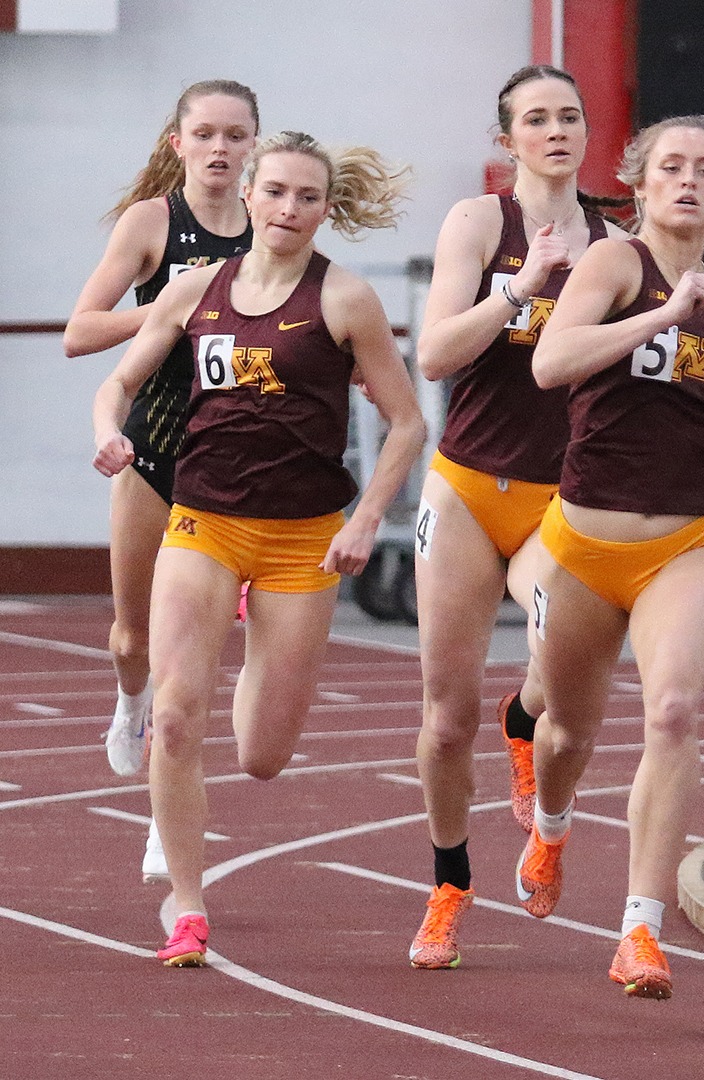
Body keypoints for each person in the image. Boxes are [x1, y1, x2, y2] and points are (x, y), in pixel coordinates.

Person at [91, 131, 425, 966]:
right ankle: (187, 904)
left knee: (263, 757)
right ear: (249, 194)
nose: (288, 209)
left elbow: (408, 421)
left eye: (306, 198)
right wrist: (107, 432)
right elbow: (122, 378)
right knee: (174, 713)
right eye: (274, 192)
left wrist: (366, 520)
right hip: (203, 522)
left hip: (303, 539)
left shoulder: (344, 301)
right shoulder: (199, 287)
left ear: (325, 208)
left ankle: (252, 651)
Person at [522, 115, 704, 999]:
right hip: (584, 540)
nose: (687, 181)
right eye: (671, 167)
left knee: (674, 711)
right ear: (639, 184)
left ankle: (640, 930)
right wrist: (659, 316)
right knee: (567, 731)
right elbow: (552, 363)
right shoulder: (612, 265)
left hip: (691, 538)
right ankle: (552, 823)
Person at [405, 64, 622, 971]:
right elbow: (433, 356)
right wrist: (522, 286)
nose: (557, 131)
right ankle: (450, 884)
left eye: (570, 115)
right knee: (444, 718)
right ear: (509, 139)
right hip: (464, 488)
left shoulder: (619, 240)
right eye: (537, 119)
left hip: (559, 499)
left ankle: (527, 727)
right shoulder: (477, 223)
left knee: (560, 671)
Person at [65, 80, 260, 884]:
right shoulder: (153, 223)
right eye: (205, 134)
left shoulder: (270, 224)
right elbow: (81, 331)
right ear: (178, 143)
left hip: (233, 459)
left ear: (254, 143)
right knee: (133, 639)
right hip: (153, 445)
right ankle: (128, 701)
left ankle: (164, 823)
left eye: (236, 135)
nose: (220, 149)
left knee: (195, 662)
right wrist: (179, 309)